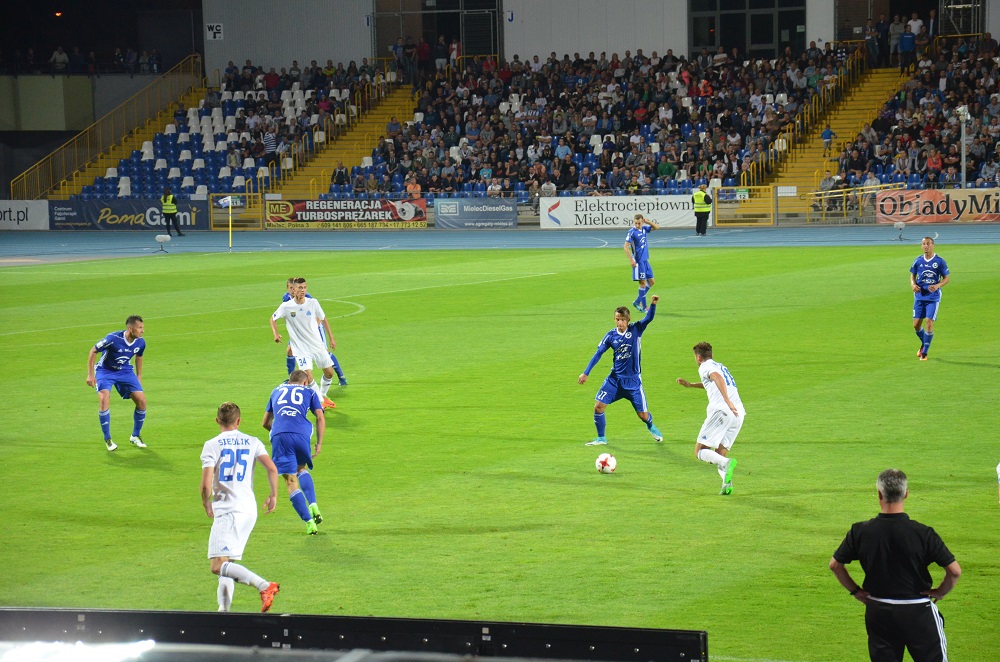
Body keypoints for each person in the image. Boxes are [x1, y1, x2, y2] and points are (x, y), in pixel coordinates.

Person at [829, 469, 961, 662]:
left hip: (878, 611)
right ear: (906, 493)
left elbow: (835, 565)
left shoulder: (860, 531)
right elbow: (955, 571)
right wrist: (940, 591)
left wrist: (856, 591)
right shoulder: (923, 533)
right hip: (917, 612)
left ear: (879, 494)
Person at [201, 401, 281, 612]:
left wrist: (206, 502)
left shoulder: (212, 444)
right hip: (248, 510)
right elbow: (272, 469)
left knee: (217, 565)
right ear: (239, 421)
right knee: (228, 564)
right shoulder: (252, 441)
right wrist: (273, 495)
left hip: (228, 510)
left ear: (217, 421)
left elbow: (205, 483)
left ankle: (264, 586)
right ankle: (224, 611)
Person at [578, 296, 663, 446]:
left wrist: (653, 304)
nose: (620, 322)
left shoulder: (636, 329)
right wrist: (586, 372)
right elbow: (598, 353)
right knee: (598, 407)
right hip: (615, 380)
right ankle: (601, 438)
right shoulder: (611, 335)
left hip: (633, 381)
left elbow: (648, 318)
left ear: (628, 319)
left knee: (643, 415)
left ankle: (650, 425)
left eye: (622, 319)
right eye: (617, 319)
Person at [262, 370, 326, 535]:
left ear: (289, 382)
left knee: (290, 481)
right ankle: (313, 504)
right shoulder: (309, 391)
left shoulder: (276, 390)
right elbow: (320, 417)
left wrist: (278, 434)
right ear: (305, 382)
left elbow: (265, 423)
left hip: (279, 434)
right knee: (301, 469)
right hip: (301, 433)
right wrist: (319, 443)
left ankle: (309, 522)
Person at [676, 342, 745, 495]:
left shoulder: (705, 367)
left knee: (700, 451)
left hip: (722, 411)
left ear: (698, 357)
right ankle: (726, 484)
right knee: (719, 454)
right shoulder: (720, 365)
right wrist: (691, 385)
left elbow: (717, 378)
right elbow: (713, 381)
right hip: (738, 414)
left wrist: (727, 401)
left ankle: (726, 464)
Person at [271, 278, 337, 409]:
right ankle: (319, 402)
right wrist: (276, 334)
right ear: (293, 289)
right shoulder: (286, 306)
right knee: (308, 376)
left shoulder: (313, 303)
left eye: (304, 287)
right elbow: (272, 319)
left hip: (316, 345)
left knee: (329, 373)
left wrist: (331, 337)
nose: (302, 290)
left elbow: (323, 319)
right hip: (300, 348)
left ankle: (322, 396)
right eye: (300, 288)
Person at [86, 315, 148, 451]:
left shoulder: (140, 342)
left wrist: (139, 376)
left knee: (142, 401)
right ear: (131, 329)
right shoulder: (113, 339)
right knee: (104, 398)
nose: (143, 331)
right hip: (105, 371)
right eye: (140, 328)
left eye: (143, 328)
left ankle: (135, 436)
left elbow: (139, 356)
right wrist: (90, 374)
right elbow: (93, 350)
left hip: (125, 371)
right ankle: (108, 439)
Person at [280, 277, 348, 385]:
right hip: (299, 332)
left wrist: (311, 329)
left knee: (324, 352)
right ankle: (291, 379)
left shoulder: (307, 298)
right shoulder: (286, 297)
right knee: (289, 351)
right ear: (287, 288)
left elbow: (318, 316)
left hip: (315, 328)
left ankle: (341, 376)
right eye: (291, 288)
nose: (293, 290)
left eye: (294, 288)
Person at [910, 236, 950, 360]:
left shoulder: (939, 261)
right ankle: (924, 343)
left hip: (933, 297)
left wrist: (937, 285)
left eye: (928, 243)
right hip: (919, 296)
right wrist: (913, 284)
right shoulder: (918, 261)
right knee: (916, 325)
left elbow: (947, 278)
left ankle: (925, 353)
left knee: (929, 322)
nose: (926, 246)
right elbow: (913, 275)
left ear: (933, 245)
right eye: (923, 244)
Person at [624, 214, 659, 313]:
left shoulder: (644, 229)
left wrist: (647, 222)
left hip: (645, 260)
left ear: (642, 222)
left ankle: (637, 301)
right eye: (636, 223)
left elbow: (657, 227)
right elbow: (625, 247)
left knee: (651, 282)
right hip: (638, 262)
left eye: (639, 223)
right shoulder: (632, 232)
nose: (637, 225)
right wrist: (631, 260)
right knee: (643, 283)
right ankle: (644, 307)